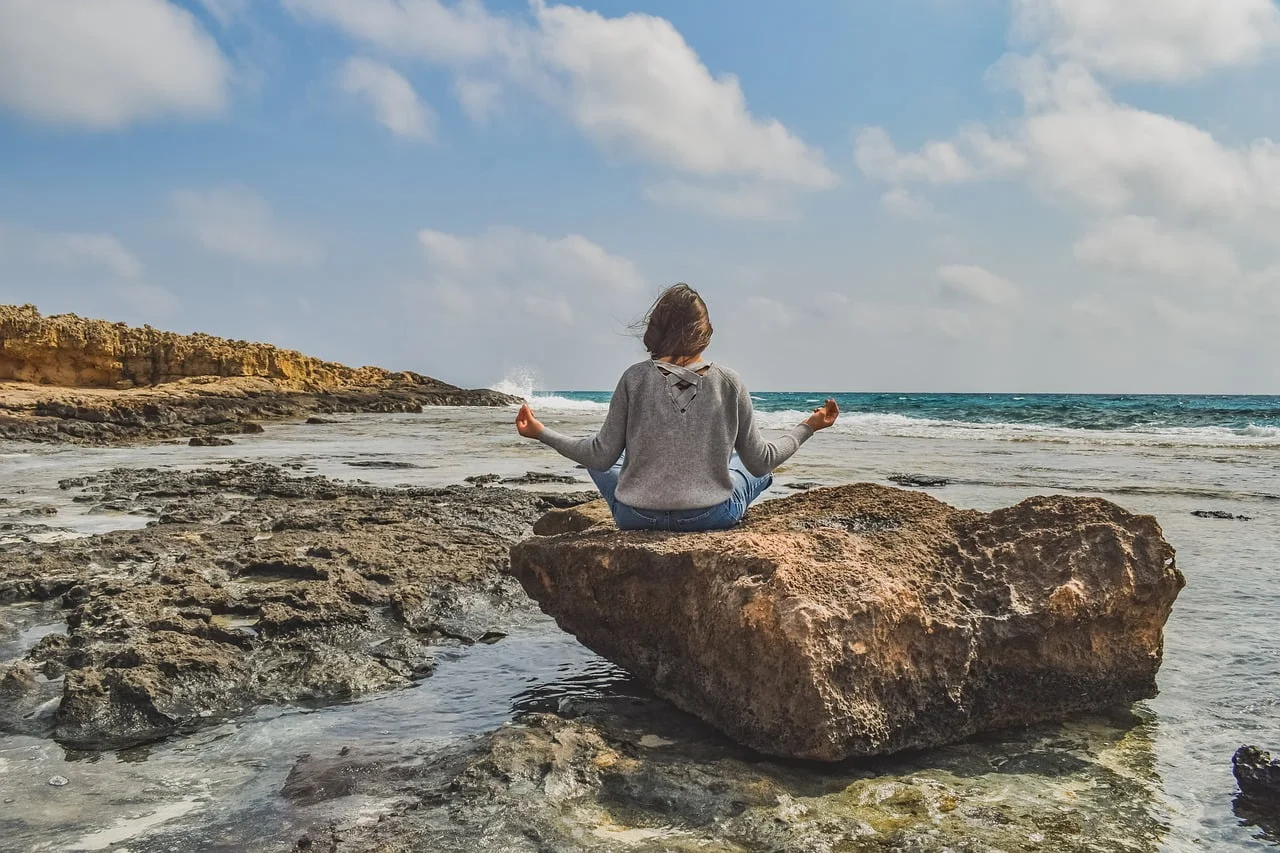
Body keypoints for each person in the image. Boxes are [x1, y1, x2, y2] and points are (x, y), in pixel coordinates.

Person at [514, 283, 839, 531]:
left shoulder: (634, 378)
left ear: (656, 329)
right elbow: (762, 460)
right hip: (710, 516)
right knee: (750, 466)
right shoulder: (729, 381)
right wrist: (809, 426)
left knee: (600, 454)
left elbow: (599, 456)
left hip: (635, 517)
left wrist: (541, 432)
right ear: (704, 332)